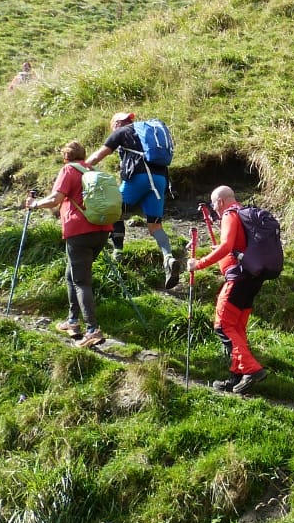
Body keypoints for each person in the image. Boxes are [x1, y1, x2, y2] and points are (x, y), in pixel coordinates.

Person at [25, 141, 111, 349]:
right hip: (102, 229)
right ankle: (73, 320)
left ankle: (92, 330)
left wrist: (35, 204)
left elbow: (56, 199)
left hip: (79, 231)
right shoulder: (93, 169)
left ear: (66, 157)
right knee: (72, 274)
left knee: (81, 281)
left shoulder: (68, 170)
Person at [187, 185, 270, 394]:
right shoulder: (245, 215)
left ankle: (252, 370)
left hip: (239, 279)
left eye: (214, 204)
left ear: (220, 202)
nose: (214, 209)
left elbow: (225, 246)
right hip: (253, 278)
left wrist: (199, 263)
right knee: (236, 328)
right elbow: (234, 247)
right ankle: (237, 376)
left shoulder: (230, 215)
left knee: (223, 325)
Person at [84, 111, 177, 288]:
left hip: (139, 177)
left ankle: (117, 251)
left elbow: (97, 156)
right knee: (155, 225)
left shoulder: (121, 132)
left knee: (115, 210)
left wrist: (77, 168)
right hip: (160, 179)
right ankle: (168, 257)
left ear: (116, 123)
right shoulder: (147, 132)